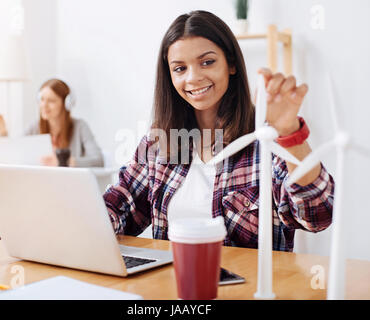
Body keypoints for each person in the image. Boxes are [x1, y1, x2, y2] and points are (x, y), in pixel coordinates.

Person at [102, 11, 334, 251]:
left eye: (207, 62)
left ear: (231, 63)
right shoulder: (158, 142)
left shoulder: (265, 138)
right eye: (180, 68)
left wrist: (289, 131)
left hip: (248, 287)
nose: (193, 77)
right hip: (172, 284)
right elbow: (118, 207)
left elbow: (317, 215)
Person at [0, 78, 104, 167]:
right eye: (42, 99)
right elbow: (15, 152)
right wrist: (3, 133)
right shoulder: (35, 127)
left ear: (66, 104)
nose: (44, 105)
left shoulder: (80, 127)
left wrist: (64, 162)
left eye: (51, 101)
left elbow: (98, 161)